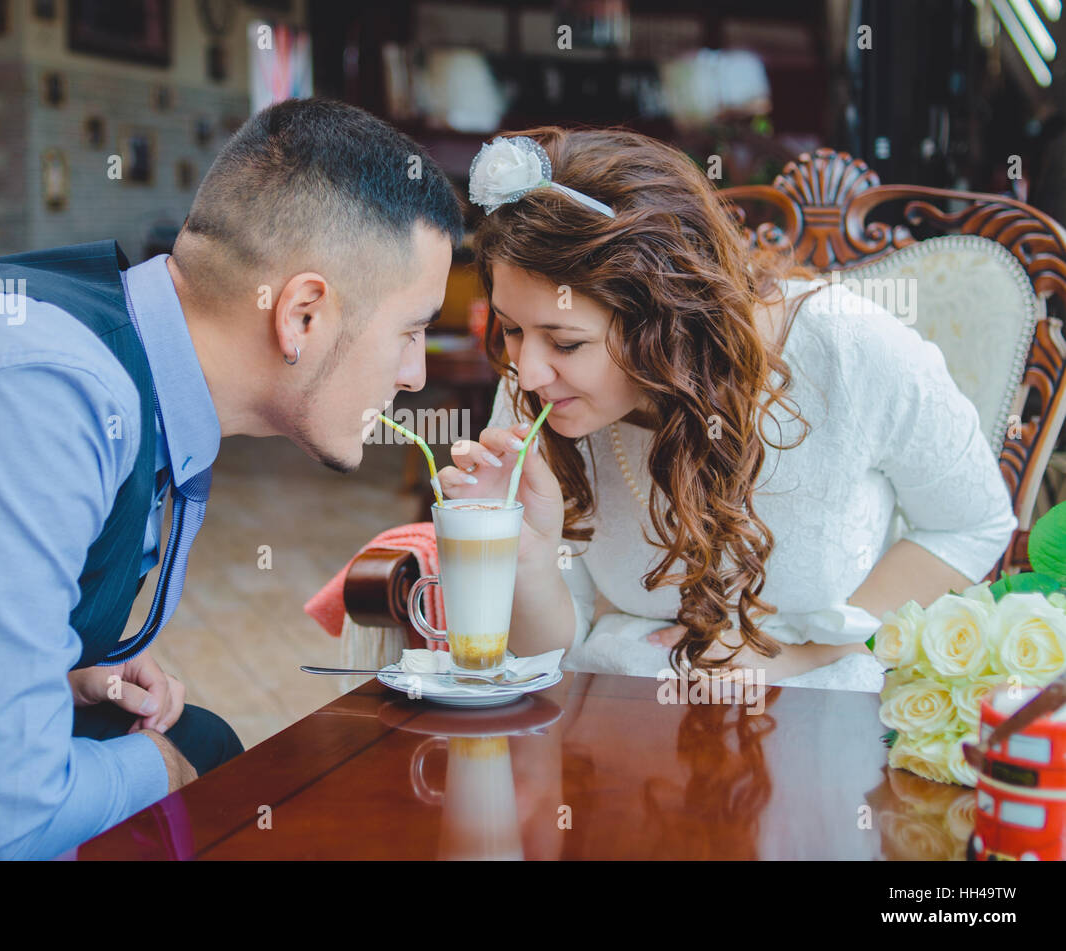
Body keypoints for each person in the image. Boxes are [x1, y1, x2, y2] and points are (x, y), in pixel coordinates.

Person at [0, 97, 461, 859]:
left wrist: (56, 670)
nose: (415, 373)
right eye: (412, 329)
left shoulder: (120, 353)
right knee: (189, 762)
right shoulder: (42, 395)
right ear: (301, 314)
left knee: (205, 740)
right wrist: (149, 769)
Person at [436, 128, 1017, 691]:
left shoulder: (849, 347)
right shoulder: (540, 390)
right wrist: (529, 554)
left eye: (567, 343)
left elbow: (971, 523)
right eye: (512, 330)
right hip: (621, 710)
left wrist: (806, 652)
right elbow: (553, 655)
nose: (529, 372)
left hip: (816, 698)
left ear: (666, 320)